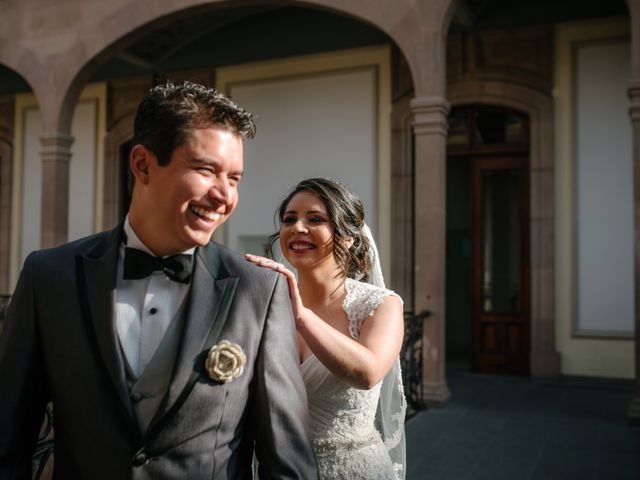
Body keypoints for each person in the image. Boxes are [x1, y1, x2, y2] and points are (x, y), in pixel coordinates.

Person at [0, 81, 318, 479]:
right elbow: (8, 441)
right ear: (142, 165)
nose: (224, 195)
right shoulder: (50, 277)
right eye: (206, 170)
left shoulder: (259, 291)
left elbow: (288, 462)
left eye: (234, 178)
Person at [246, 177, 407, 480]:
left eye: (315, 219)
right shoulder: (266, 304)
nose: (298, 227)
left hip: (354, 471)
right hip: (278, 469)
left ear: (348, 237)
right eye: (289, 219)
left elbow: (368, 373)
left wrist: (301, 315)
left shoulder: (382, 305)